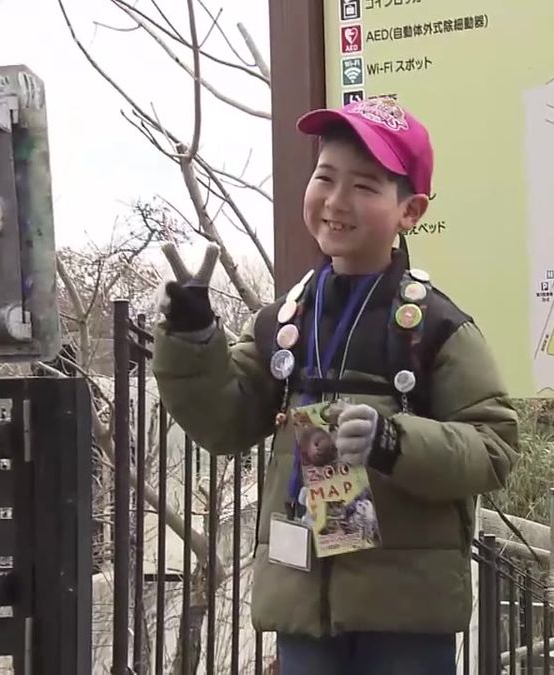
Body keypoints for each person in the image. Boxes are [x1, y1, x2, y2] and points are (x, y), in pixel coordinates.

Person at [150, 95, 520, 674]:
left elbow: (493, 448)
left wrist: (393, 441)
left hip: (406, 614)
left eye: (366, 186)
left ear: (410, 210)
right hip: (302, 601)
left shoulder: (434, 328)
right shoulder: (285, 322)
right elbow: (224, 422)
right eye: (325, 176)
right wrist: (193, 339)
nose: (337, 201)